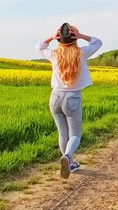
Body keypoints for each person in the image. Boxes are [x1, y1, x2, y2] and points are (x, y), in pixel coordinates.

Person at [36, 23, 102, 178]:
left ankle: (70, 163)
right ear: (74, 38)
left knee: (62, 133)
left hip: (55, 97)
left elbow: (39, 46)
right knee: (75, 135)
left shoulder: (53, 54)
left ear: (60, 39)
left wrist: (53, 37)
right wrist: (81, 36)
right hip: (72, 98)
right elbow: (98, 42)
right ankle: (67, 157)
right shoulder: (81, 53)